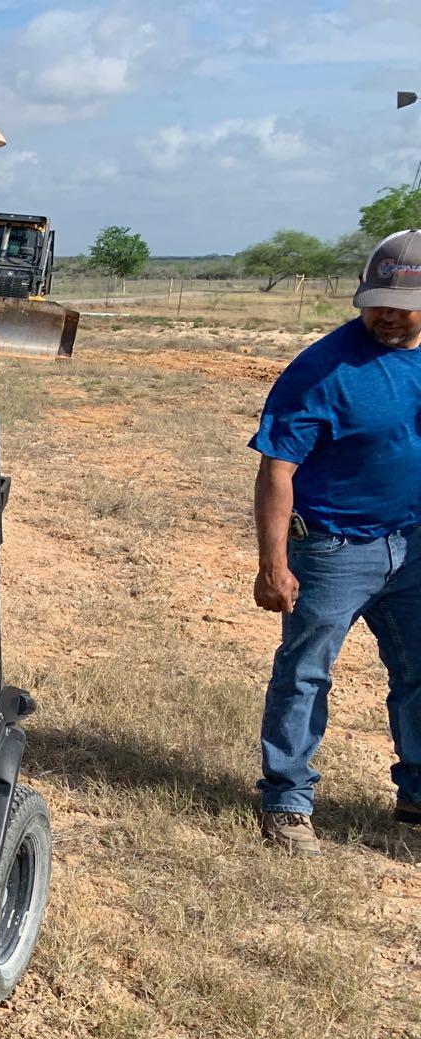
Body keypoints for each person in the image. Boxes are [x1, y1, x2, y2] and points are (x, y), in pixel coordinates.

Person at [249, 229, 421, 856]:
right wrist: (273, 563)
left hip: (413, 543)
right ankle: (287, 800)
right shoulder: (322, 370)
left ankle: (416, 792)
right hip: (332, 548)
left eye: (400, 305)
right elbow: (277, 469)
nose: (385, 315)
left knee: (418, 672)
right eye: (374, 301)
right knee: (305, 674)